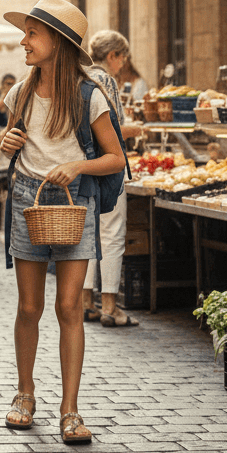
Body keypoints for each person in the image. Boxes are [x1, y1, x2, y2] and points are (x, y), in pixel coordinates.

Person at [0, 0, 126, 443]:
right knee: (29, 307)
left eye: (32, 33)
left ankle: (70, 410)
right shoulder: (20, 92)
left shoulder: (90, 96)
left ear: (58, 41)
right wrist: (7, 143)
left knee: (69, 306)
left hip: (75, 201)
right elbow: (9, 145)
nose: (24, 41)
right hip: (27, 199)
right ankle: (25, 394)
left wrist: (77, 166)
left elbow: (114, 159)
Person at [82, 30, 144, 328]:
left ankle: (85, 303)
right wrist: (136, 128)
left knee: (88, 235)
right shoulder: (105, 78)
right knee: (111, 234)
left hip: (83, 165)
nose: (123, 64)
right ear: (113, 56)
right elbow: (115, 127)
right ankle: (110, 306)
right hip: (108, 165)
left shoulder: (78, 73)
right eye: (123, 58)